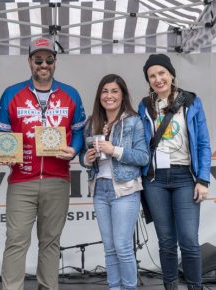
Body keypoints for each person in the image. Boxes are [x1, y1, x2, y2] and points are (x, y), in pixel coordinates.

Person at [0, 37, 86, 290]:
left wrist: (75, 149)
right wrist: (5, 153)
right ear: (30, 62)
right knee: (16, 240)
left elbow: (79, 131)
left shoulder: (70, 94)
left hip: (57, 179)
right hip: (21, 179)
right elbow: (3, 135)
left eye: (49, 59)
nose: (43, 64)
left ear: (55, 62)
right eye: (38, 60)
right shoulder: (12, 93)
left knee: (50, 242)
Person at [138, 54, 211, 290]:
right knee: (166, 242)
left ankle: (195, 287)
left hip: (184, 177)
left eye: (162, 73)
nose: (158, 79)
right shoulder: (144, 105)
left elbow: (203, 143)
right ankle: (170, 287)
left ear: (171, 74)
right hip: (155, 179)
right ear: (148, 81)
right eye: (152, 76)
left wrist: (203, 179)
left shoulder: (190, 101)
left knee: (189, 241)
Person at [80, 74, 149, 290]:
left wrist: (115, 150)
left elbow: (143, 157)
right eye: (105, 91)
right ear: (99, 95)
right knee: (109, 248)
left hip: (125, 190)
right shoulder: (92, 122)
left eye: (114, 91)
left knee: (122, 246)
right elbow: (84, 156)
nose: (109, 96)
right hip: (100, 189)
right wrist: (86, 159)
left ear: (123, 95)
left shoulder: (134, 121)